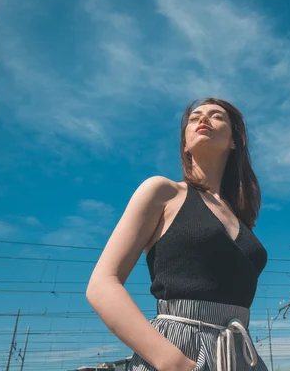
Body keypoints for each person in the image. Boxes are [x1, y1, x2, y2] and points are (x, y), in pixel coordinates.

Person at [86, 98, 269, 371]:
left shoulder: (242, 219)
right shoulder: (163, 192)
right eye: (194, 118)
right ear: (185, 144)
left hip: (240, 354)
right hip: (178, 351)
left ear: (234, 141)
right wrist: (175, 363)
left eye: (216, 116)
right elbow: (102, 284)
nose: (203, 120)